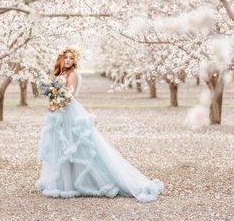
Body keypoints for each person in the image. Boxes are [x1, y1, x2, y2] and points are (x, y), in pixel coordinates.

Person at [36, 47, 164, 202]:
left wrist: (56, 103)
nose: (68, 60)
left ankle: (95, 181)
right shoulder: (60, 74)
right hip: (58, 113)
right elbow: (57, 94)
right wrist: (52, 100)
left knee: (76, 146)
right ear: (61, 59)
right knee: (62, 147)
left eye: (71, 58)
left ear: (74, 61)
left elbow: (68, 96)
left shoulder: (73, 74)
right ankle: (63, 183)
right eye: (66, 58)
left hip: (69, 112)